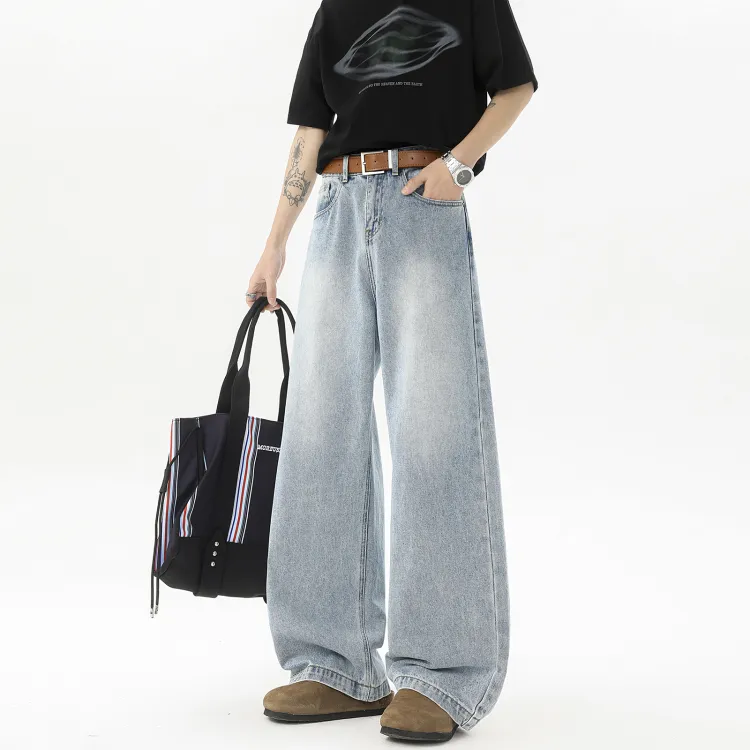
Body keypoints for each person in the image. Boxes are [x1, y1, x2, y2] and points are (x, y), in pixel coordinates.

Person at [246, 0, 537, 742]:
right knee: (320, 432)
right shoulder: (337, 7)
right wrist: (275, 244)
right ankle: (331, 662)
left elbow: (515, 88)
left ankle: (444, 672)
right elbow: (310, 131)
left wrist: (457, 166)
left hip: (421, 206)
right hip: (338, 209)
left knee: (435, 431)